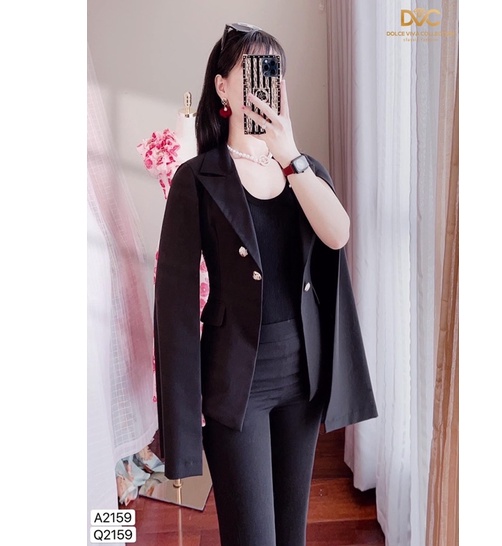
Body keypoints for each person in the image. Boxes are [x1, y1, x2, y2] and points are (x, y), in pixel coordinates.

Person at [153, 22, 377, 546]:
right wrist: (181, 432)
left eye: (274, 73)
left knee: (290, 535)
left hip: (302, 381)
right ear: (222, 87)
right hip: (236, 386)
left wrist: (290, 154)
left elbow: (338, 234)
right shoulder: (197, 178)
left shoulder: (303, 171)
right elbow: (175, 308)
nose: (265, 86)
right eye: (253, 71)